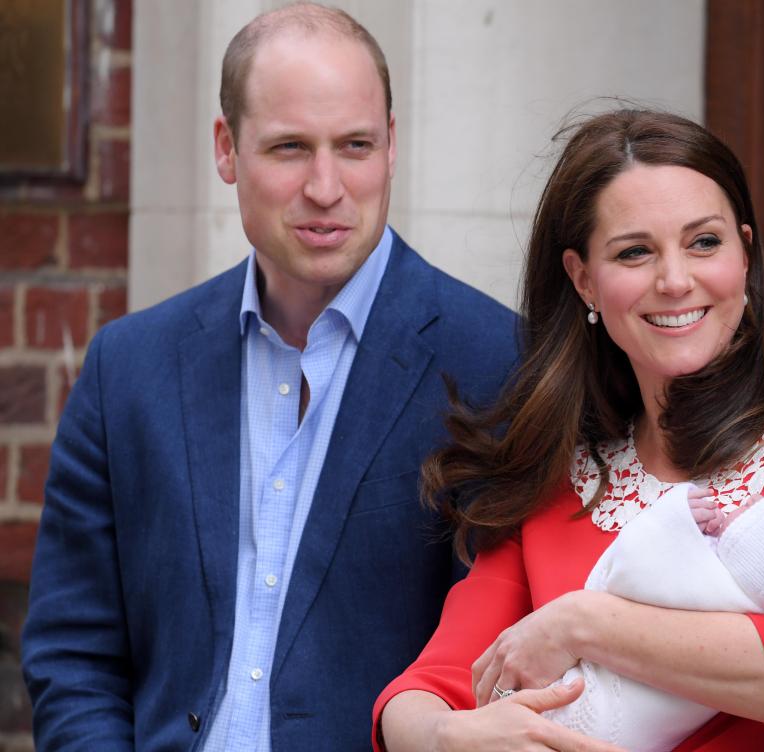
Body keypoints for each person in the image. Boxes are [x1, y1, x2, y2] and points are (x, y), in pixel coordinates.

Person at [21, 4, 517, 751]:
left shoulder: (498, 363)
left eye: (355, 145)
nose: (326, 186)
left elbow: (498, 665)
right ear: (227, 149)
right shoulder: (129, 368)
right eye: (290, 148)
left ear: (391, 146)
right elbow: (73, 652)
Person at [375, 109, 764, 751]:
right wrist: (443, 738)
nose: (675, 280)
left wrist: (585, 623)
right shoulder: (559, 477)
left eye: (704, 242)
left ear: (745, 253)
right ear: (584, 280)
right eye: (635, 252)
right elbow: (429, 687)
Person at [543, 482, 764, 751]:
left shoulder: (714, 588)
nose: (752, 497)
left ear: (756, 548)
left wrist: (675, 517)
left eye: (759, 509)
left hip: (592, 715)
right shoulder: (763, 613)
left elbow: (627, 571)